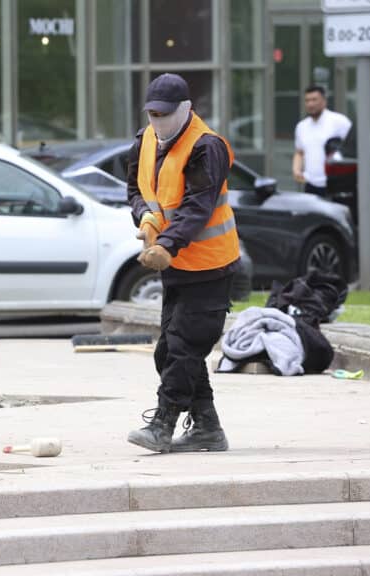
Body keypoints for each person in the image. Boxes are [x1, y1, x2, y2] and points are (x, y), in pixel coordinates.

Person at [125, 73, 241, 454]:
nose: (158, 121)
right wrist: (146, 221)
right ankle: (207, 427)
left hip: (210, 268)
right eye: (153, 114)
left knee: (182, 349)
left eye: (165, 114)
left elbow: (198, 207)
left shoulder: (207, 148)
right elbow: (136, 191)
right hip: (176, 267)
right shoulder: (145, 141)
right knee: (173, 352)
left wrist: (168, 245)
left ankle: (162, 424)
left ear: (186, 110)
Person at [293, 85, 352, 196]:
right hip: (310, 185)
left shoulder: (339, 122)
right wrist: (296, 170)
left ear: (324, 101)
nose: (310, 104)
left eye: (314, 100)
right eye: (307, 100)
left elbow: (354, 147)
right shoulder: (301, 126)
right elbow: (299, 152)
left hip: (336, 184)